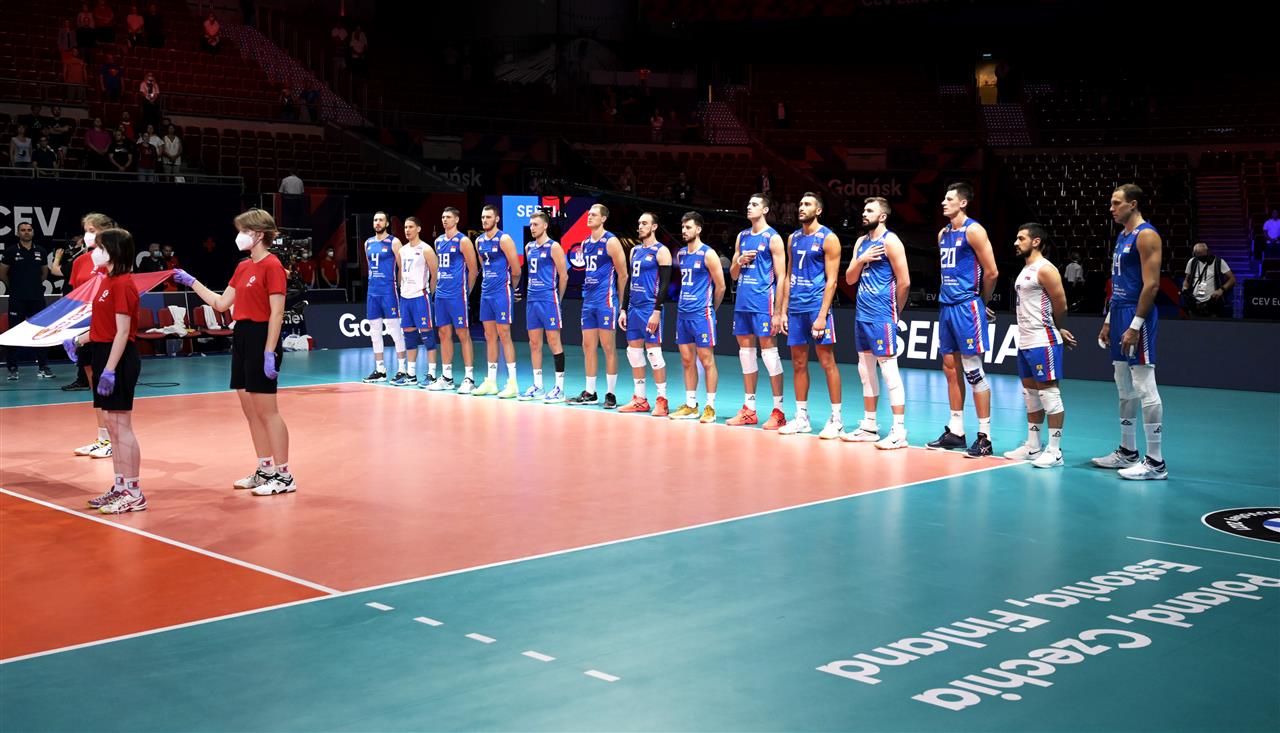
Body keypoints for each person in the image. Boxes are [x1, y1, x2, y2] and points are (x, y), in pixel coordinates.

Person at [173, 209, 295, 495]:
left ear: (259, 234)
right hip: (241, 336)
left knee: (268, 412)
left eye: (244, 230)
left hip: (262, 336)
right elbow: (221, 304)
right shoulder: (243, 267)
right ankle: (265, 470)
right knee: (251, 412)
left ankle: (284, 476)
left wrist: (269, 351)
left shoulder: (273, 266)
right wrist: (192, 282)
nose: (239, 236)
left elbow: (277, 313)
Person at [66, 228, 146, 512]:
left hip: (119, 358)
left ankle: (134, 492)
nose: (95, 252)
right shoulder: (106, 281)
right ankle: (120, 486)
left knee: (122, 426)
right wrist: (78, 339)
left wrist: (110, 370)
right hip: (102, 352)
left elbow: (123, 332)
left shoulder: (123, 284)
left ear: (113, 251)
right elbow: (103, 326)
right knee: (112, 426)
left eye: (100, 247)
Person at [1093, 184, 1167, 480]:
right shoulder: (1122, 235)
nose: (1111, 208)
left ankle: (1156, 462)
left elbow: (1152, 285)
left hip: (1139, 315)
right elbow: (1119, 284)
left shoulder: (1146, 235)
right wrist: (1110, 320)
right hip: (1120, 311)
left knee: (1144, 385)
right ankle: (1127, 451)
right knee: (1123, 384)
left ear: (1133, 204)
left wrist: (1135, 326)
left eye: (1116, 203)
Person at [926, 182, 999, 457]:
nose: (943, 203)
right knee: (949, 368)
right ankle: (956, 431)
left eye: (949, 199)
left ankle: (985, 437)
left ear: (963, 203)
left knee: (973, 371)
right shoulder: (943, 234)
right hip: (946, 306)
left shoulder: (974, 230)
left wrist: (982, 302)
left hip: (967, 306)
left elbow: (992, 272)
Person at [1001, 223, 1076, 468]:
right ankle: (1033, 446)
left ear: (1036, 242)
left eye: (1021, 238)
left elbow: (1061, 304)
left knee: (1049, 394)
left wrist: (1058, 327)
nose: (1016, 242)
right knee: (1030, 394)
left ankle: (1054, 451)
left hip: (1043, 340)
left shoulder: (1046, 269)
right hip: (1025, 340)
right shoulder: (1025, 269)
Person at [842, 196, 911, 449]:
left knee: (889, 372)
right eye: (864, 209)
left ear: (882, 216)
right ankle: (869, 426)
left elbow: (904, 282)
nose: (864, 213)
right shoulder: (861, 242)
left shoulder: (891, 241)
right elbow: (850, 279)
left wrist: (895, 312)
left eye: (869, 210)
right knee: (865, 371)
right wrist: (861, 259)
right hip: (862, 314)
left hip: (882, 316)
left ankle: (899, 431)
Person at [777, 192, 843, 438]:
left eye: (807, 204)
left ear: (819, 210)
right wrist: (783, 311)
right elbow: (788, 275)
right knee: (798, 363)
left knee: (827, 362)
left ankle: (836, 419)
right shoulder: (793, 238)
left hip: (816, 307)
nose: (801, 208)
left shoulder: (829, 238)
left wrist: (823, 315)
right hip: (795, 309)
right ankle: (801, 417)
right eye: (800, 204)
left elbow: (832, 281)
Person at [726, 193, 788, 429]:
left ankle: (778, 411)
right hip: (742, 303)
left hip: (763, 304)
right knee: (746, 355)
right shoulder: (742, 237)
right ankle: (749, 410)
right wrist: (739, 261)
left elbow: (782, 277)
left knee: (770, 356)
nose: (749, 207)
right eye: (748, 203)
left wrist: (778, 312)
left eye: (754, 204)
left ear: (765, 210)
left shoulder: (773, 238)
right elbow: (733, 274)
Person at [567, 204, 628, 408]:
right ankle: (590, 392)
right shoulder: (585, 243)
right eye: (588, 214)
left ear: (603, 218)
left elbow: (623, 274)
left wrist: (622, 306)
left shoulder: (611, 241)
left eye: (594, 214)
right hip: (589, 302)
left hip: (606, 301)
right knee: (588, 346)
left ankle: (611, 394)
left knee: (608, 347)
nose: (589, 217)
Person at [668, 212, 725, 422]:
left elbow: (721, 286)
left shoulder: (708, 254)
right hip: (683, 314)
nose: (684, 231)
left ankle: (710, 407)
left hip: (701, 314)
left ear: (698, 229)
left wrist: (711, 309)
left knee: (707, 360)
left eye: (688, 227)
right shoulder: (681, 254)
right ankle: (691, 405)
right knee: (686, 360)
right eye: (683, 227)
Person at [617, 212, 672, 416]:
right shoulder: (635, 251)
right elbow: (629, 282)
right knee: (633, 353)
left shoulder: (661, 251)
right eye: (639, 223)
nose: (640, 226)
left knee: (654, 354)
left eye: (645, 223)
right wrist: (623, 309)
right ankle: (640, 399)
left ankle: (662, 400)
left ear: (654, 226)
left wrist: (657, 311)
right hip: (633, 309)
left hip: (650, 308)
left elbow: (665, 285)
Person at [472, 205, 522, 398]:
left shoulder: (504, 239)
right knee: (489, 335)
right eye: (483, 217)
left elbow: (516, 270)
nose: (485, 220)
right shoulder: (478, 241)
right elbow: (483, 267)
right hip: (486, 293)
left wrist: (510, 288)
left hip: (501, 293)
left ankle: (512, 383)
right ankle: (491, 382)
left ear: (497, 219)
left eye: (488, 217)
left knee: (504, 334)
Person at [519, 210, 568, 402]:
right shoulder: (529, 247)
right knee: (534, 343)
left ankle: (559, 388)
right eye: (531, 225)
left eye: (536, 224)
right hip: (532, 300)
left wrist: (557, 298)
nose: (532, 228)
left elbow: (564, 276)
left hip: (548, 300)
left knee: (554, 341)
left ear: (545, 226)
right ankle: (538, 386)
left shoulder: (554, 247)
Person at [430, 207, 478, 393]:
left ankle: (469, 377)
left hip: (457, 295)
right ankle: (447, 377)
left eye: (448, 217)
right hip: (441, 295)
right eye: (443, 217)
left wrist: (465, 291)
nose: (445, 220)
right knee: (443, 334)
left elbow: (473, 270)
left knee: (463, 333)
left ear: (456, 219)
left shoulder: (463, 241)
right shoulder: (438, 241)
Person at [1, 223, 55, 380]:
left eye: (29, 230)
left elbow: (44, 273)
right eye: (23, 230)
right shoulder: (11, 251)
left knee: (40, 332)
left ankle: (43, 366)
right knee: (14, 332)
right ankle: (12, 368)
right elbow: (2, 273)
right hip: (17, 299)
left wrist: (33, 285)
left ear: (33, 232)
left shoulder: (41, 251)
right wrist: (15, 287)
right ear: (18, 233)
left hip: (37, 298)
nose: (26, 232)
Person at [359, 211, 407, 384]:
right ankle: (380, 370)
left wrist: (400, 286)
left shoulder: (394, 242)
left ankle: (402, 369)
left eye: (381, 220)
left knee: (395, 330)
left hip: (389, 292)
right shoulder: (368, 243)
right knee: (374, 332)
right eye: (375, 220)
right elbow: (369, 267)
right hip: (372, 293)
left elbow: (402, 267)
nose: (377, 223)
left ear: (387, 224)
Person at [396, 216, 440, 388]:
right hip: (405, 298)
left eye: (411, 227)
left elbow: (435, 274)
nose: (407, 230)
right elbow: (401, 272)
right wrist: (401, 289)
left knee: (427, 336)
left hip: (421, 297)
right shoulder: (402, 250)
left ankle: (432, 374)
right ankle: (411, 374)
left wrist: (429, 293)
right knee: (409, 337)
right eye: (406, 227)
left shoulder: (426, 249)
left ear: (418, 229)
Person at [1181, 242, 1235, 318]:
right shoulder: (1192, 262)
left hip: (1212, 303)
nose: (1201, 258)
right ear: (1194, 254)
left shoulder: (1219, 262)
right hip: (1194, 304)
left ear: (1208, 252)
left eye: (1203, 255)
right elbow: (1187, 280)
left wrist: (1221, 290)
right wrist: (1185, 288)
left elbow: (1232, 279)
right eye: (1198, 255)